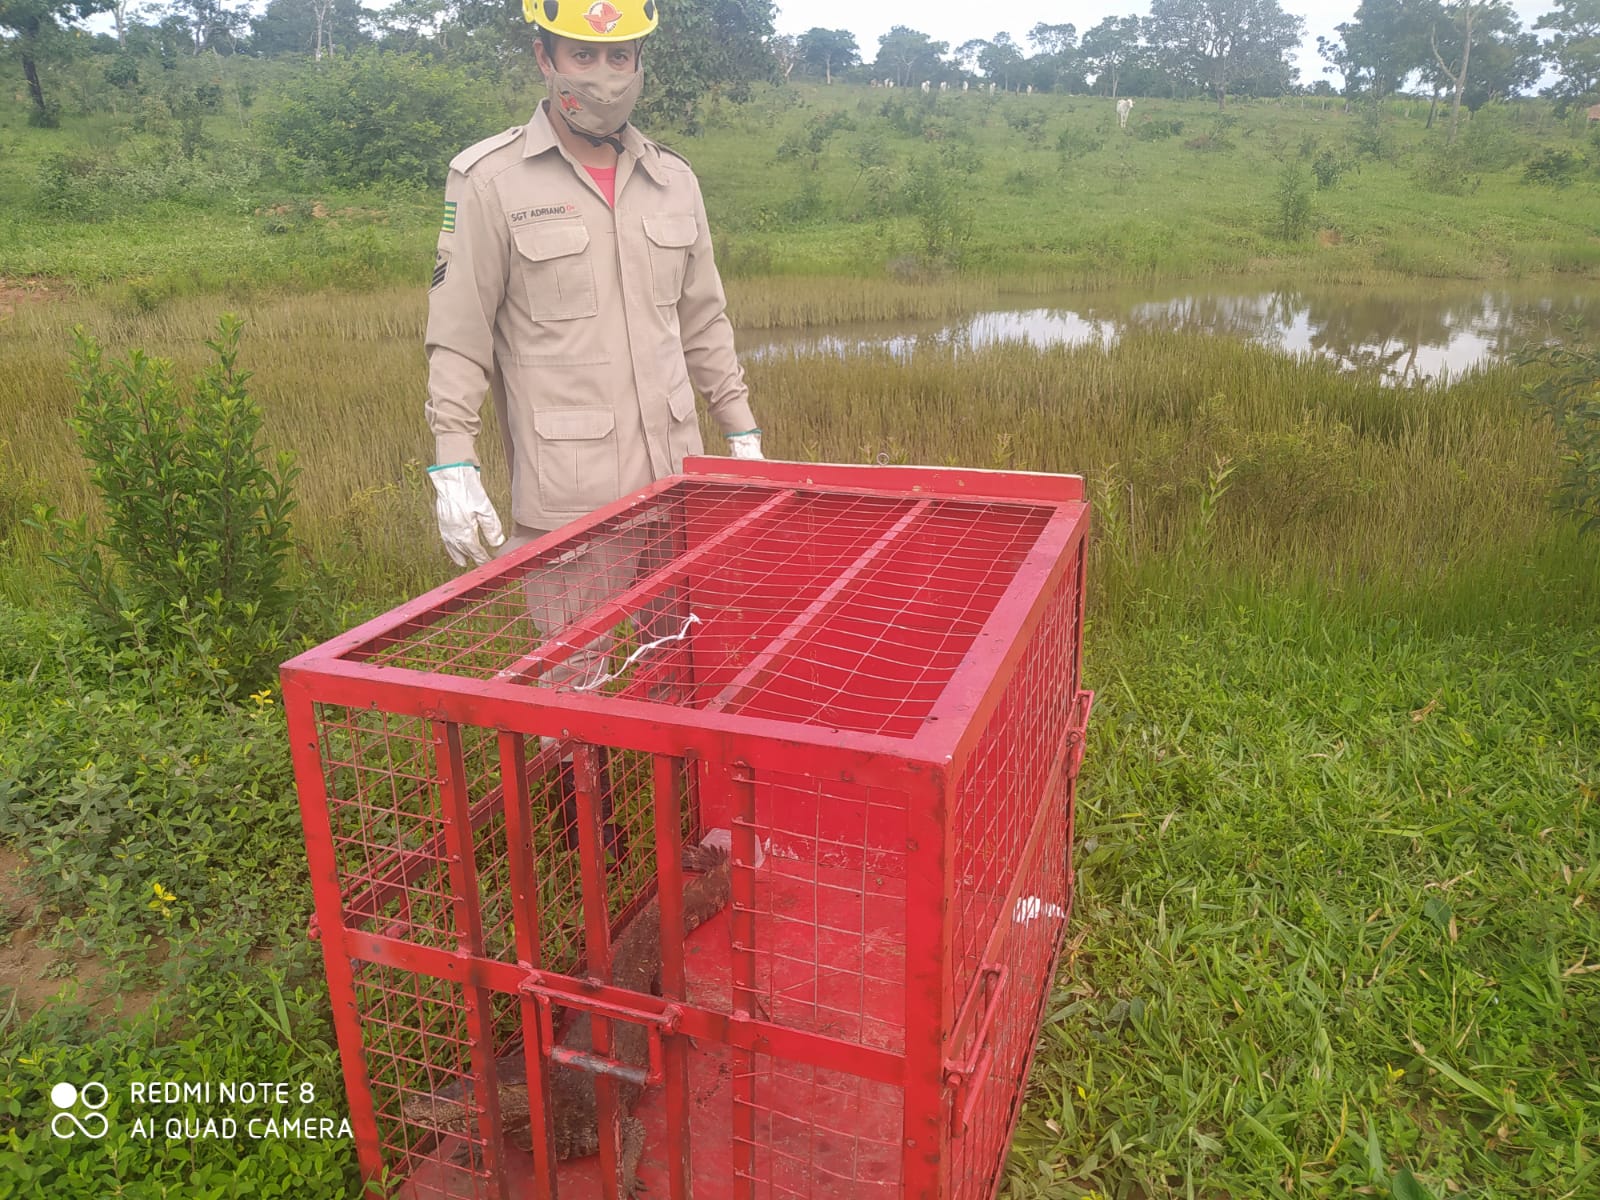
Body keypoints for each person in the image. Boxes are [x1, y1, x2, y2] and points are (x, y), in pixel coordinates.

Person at [423, 0, 764, 852]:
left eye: (619, 59)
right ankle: (588, 849)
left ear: (640, 64)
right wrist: (452, 458)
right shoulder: (492, 181)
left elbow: (704, 320)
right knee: (572, 681)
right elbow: (460, 333)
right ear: (544, 57)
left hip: (677, 484)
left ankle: (683, 829)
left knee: (677, 659)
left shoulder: (673, 180)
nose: (603, 78)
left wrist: (742, 430)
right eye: (582, 55)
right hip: (571, 497)